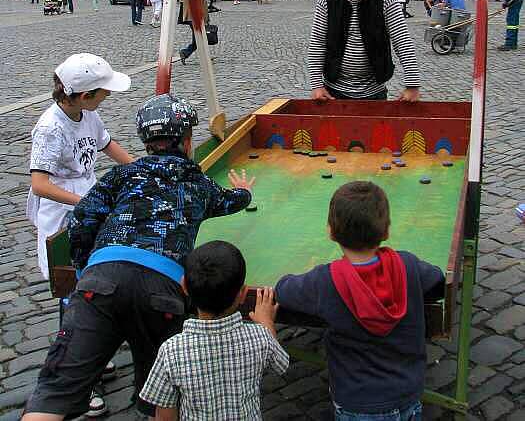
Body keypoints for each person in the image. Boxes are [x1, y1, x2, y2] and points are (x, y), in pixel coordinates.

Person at [22, 94, 255, 421]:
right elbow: (229, 201)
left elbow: (82, 220)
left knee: (54, 393)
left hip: (100, 280)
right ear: (188, 142)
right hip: (161, 291)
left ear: (145, 142)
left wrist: (84, 268)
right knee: (158, 397)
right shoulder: (198, 184)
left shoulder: (120, 176)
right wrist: (245, 192)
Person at [275, 181, 445, 421]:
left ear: (331, 232)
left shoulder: (325, 280)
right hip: (408, 393)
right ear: (386, 231)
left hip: (355, 402)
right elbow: (438, 279)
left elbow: (283, 291)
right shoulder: (408, 265)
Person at [25, 54, 133, 416]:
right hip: (61, 222)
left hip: (86, 211)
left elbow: (108, 145)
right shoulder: (50, 128)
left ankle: (93, 355)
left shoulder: (87, 114)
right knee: (71, 297)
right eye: (103, 92)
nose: (107, 97)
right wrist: (87, 201)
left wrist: (147, 169)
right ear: (84, 95)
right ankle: (74, 383)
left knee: (91, 285)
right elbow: (40, 184)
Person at [140, 241, 289, 420]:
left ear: (184, 286)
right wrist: (267, 322)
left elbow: (165, 416)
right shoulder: (260, 337)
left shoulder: (171, 351)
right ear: (242, 294)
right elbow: (281, 363)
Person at [308, 0, 420, 102]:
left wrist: (412, 85)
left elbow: (402, 42)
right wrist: (316, 85)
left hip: (374, 92)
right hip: (332, 92)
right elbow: (317, 43)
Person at [178, 0, 209, 64]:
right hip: (196, 18)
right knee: (199, 39)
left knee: (198, 39)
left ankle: (187, 53)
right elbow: (204, 5)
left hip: (189, 18)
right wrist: (206, 19)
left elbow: (181, 1)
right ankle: (185, 52)